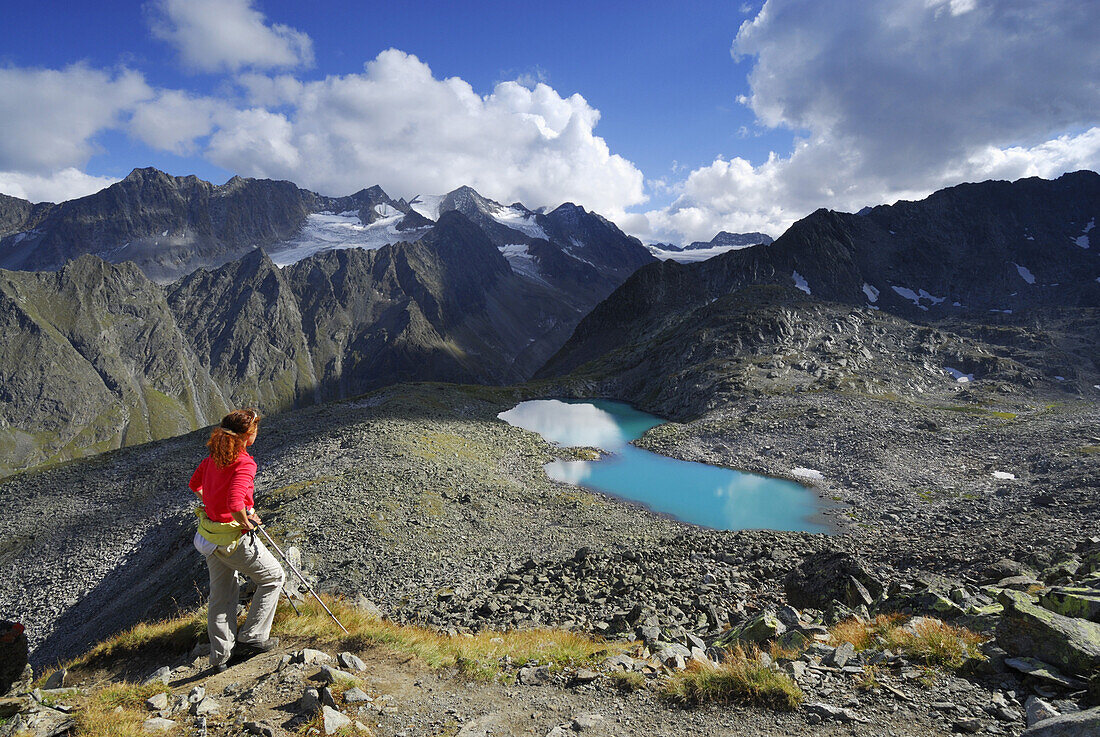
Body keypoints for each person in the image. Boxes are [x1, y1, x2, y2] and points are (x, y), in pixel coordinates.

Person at [189, 408, 285, 672]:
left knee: (221, 597)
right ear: (248, 434)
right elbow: (234, 503)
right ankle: (252, 638)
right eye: (255, 429)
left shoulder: (214, 457)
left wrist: (212, 505)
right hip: (233, 539)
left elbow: (195, 484)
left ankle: (220, 659)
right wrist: (245, 520)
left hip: (209, 536)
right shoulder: (244, 463)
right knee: (274, 577)